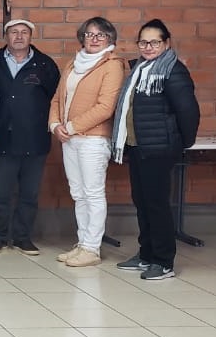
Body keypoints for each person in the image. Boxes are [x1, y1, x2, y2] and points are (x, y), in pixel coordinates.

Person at [112, 19, 200, 280]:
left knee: (157, 204)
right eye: (143, 42)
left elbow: (188, 111)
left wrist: (181, 142)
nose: (148, 47)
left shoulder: (173, 71)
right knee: (142, 202)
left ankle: (163, 261)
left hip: (160, 148)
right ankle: (147, 254)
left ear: (166, 43)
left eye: (154, 42)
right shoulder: (140, 69)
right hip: (139, 146)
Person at [49, 17, 127, 268]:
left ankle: (92, 248)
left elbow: (105, 107)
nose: (94, 39)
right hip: (69, 138)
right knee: (78, 193)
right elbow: (57, 98)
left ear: (110, 39)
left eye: (100, 35)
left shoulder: (112, 65)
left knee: (92, 193)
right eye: (89, 34)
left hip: (93, 139)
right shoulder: (73, 63)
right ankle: (82, 243)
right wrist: (55, 125)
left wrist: (71, 127)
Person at [0, 19, 60, 256]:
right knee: (1, 193)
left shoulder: (45, 64)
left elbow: (57, 99)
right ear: (6, 36)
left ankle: (23, 238)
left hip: (35, 139)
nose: (18, 36)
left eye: (24, 32)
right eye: (13, 32)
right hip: (1, 137)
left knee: (29, 193)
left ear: (31, 36)